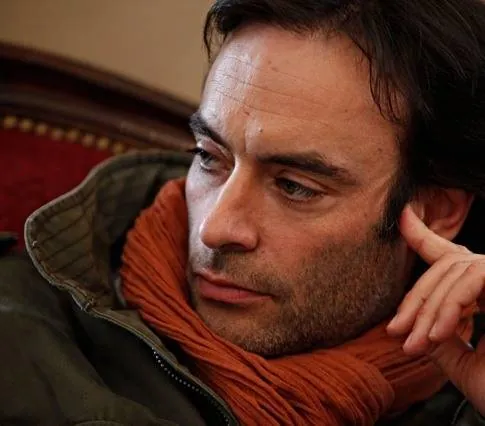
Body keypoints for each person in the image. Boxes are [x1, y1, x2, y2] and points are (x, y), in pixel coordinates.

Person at [2, 0, 485, 424]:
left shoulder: (469, 389)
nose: (215, 228)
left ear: (434, 212)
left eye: (295, 187)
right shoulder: (19, 338)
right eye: (209, 157)